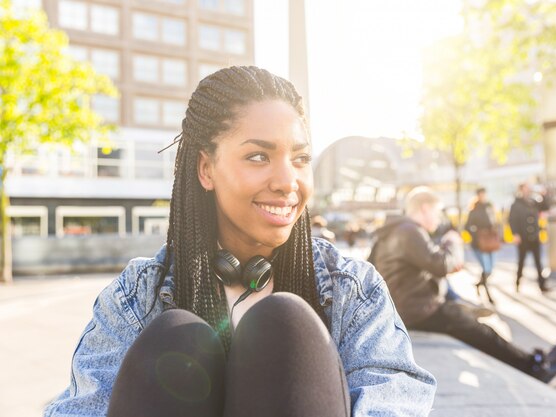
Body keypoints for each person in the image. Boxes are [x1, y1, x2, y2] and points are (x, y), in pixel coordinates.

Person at [43, 67, 435, 417]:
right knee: (177, 336)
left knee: (286, 324)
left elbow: (392, 399)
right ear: (206, 168)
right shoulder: (137, 296)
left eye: (300, 159)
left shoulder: (352, 289)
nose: (287, 181)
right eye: (258, 157)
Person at [369, 186, 556, 384]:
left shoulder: (395, 231)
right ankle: (533, 367)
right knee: (482, 332)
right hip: (417, 311)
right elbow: (441, 265)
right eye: (437, 212)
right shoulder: (408, 231)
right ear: (424, 208)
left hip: (407, 307)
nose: (439, 218)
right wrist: (452, 243)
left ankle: (535, 359)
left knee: (471, 320)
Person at [508, 182, 551, 292]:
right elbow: (512, 220)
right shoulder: (516, 204)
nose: (528, 190)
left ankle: (542, 285)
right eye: (526, 188)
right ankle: (517, 283)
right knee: (521, 262)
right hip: (523, 238)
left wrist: (543, 195)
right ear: (521, 190)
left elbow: (545, 207)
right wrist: (515, 234)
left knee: (538, 262)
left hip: (534, 237)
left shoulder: (534, 201)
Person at [465, 187, 499, 304]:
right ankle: (488, 295)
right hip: (479, 244)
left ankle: (479, 284)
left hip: (491, 241)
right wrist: (477, 235)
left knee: (490, 270)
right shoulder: (474, 209)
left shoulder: (489, 207)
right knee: (486, 268)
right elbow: (467, 227)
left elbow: (494, 222)